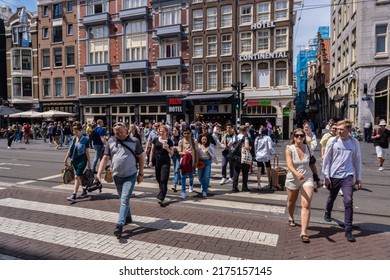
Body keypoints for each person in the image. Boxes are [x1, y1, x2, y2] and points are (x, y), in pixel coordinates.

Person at [96, 122, 145, 238]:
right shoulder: (111, 141)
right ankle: (128, 217)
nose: (120, 134)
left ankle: (119, 224)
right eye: (117, 133)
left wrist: (141, 174)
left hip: (130, 174)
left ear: (126, 130)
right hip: (117, 175)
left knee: (124, 199)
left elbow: (141, 157)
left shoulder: (134, 141)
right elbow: (105, 157)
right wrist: (99, 173)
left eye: (122, 132)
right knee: (123, 199)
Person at [322, 120, 362, 242]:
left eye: (341, 129)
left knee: (348, 200)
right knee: (332, 197)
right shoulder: (332, 141)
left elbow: (357, 160)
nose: (338, 131)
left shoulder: (354, 143)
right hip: (333, 175)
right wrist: (326, 176)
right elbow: (326, 160)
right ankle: (327, 211)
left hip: (347, 176)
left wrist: (359, 178)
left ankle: (348, 229)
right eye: (338, 129)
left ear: (348, 130)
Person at [285, 128, 317, 243]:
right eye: (297, 135)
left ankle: (303, 232)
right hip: (293, 178)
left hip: (307, 178)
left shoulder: (309, 148)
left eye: (301, 135)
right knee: (291, 202)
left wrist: (317, 178)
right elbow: (289, 164)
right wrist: (296, 173)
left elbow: (312, 164)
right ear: (293, 137)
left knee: (306, 204)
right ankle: (291, 216)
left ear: (304, 137)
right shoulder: (289, 149)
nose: (299, 137)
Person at [64, 122, 91, 203]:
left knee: (77, 176)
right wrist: (65, 159)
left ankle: (74, 195)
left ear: (81, 131)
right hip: (74, 160)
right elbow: (70, 150)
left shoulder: (85, 139)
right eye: (74, 131)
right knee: (80, 176)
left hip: (82, 160)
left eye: (76, 132)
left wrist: (89, 162)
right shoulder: (73, 139)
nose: (75, 133)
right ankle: (84, 190)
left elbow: (87, 151)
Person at [149, 125, 173, 207]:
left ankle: (161, 197)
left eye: (163, 131)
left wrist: (167, 149)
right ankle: (162, 190)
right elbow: (152, 150)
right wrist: (150, 161)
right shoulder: (155, 140)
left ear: (166, 132)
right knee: (158, 179)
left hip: (165, 161)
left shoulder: (169, 141)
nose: (161, 133)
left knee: (163, 179)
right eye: (160, 131)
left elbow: (172, 153)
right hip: (157, 161)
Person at [178, 127, 198, 199]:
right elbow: (179, 152)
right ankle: (183, 191)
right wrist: (186, 153)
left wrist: (196, 161)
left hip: (191, 162)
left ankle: (191, 185)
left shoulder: (194, 141)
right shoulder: (181, 141)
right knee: (183, 177)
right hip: (184, 161)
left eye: (188, 133)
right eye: (185, 133)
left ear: (191, 133)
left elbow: (196, 151)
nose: (186, 135)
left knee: (191, 175)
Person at [231, 125, 251, 193]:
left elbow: (230, 145)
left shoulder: (235, 136)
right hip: (243, 156)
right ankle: (244, 187)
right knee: (245, 172)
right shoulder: (245, 138)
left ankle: (234, 187)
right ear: (245, 131)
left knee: (236, 172)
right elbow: (246, 146)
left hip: (235, 156)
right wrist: (249, 148)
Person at [197, 133, 215, 198]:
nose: (204, 140)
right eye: (203, 139)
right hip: (200, 161)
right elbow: (196, 154)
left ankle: (204, 190)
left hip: (207, 162)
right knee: (199, 176)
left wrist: (209, 153)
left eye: (205, 139)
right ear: (201, 140)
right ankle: (203, 184)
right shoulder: (198, 146)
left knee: (206, 176)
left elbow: (213, 156)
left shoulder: (210, 146)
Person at [171, 125, 182, 192]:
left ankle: (174, 184)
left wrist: (177, 148)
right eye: (173, 130)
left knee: (177, 169)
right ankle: (179, 179)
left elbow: (183, 146)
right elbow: (170, 146)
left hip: (179, 155)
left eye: (175, 130)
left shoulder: (181, 138)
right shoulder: (172, 137)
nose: (174, 131)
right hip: (173, 154)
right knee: (176, 168)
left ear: (178, 131)